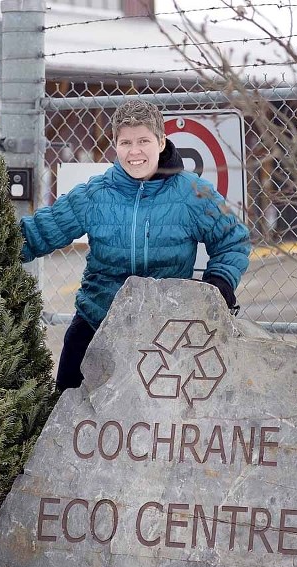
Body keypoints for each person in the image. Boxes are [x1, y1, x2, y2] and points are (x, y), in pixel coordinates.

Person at [20, 98, 250, 392]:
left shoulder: (192, 193)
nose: (135, 151)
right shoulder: (95, 195)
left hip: (167, 331)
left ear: (162, 141)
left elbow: (233, 239)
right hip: (97, 321)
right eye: (126, 142)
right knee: (66, 407)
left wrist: (219, 285)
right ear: (116, 146)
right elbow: (40, 232)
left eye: (144, 140)